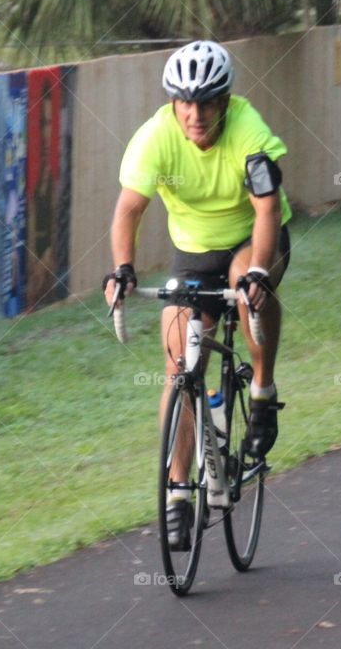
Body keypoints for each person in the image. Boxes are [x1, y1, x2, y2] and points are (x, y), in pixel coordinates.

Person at [103, 40, 291, 552]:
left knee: (246, 287)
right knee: (180, 365)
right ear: (172, 102)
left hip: (252, 240)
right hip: (193, 253)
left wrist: (258, 272)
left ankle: (262, 395)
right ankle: (178, 493)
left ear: (224, 101)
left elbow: (268, 210)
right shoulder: (155, 137)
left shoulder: (250, 132)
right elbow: (129, 209)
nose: (195, 113)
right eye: (184, 102)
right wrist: (123, 268)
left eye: (205, 102)